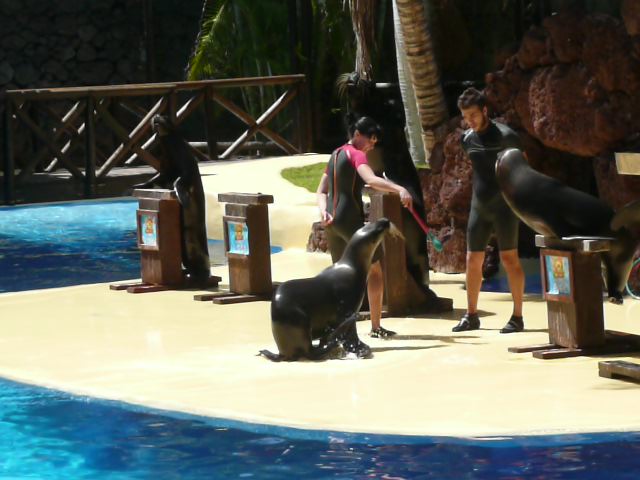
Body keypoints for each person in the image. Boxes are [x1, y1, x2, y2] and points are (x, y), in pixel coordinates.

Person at [316, 116, 413, 339]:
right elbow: (372, 179)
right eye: (370, 140)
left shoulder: (335, 154)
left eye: (375, 142)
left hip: (331, 223)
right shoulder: (356, 154)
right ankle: (376, 327)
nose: (371, 146)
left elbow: (321, 190)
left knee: (340, 274)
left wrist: (323, 211)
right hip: (350, 221)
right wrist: (400, 189)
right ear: (357, 134)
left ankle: (338, 330)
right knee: (375, 270)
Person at [452, 88, 525, 334]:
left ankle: (517, 317)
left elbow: (524, 169)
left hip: (505, 207)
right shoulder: (467, 139)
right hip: (480, 207)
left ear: (484, 111)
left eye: (473, 115)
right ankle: (471, 315)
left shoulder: (507, 137)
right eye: (465, 116)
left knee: (510, 259)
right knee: (472, 260)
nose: (469, 121)